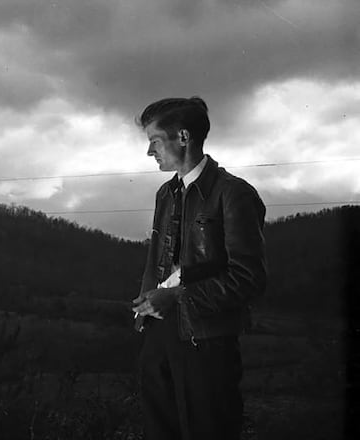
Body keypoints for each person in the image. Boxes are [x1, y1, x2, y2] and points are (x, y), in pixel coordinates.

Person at [131, 97, 266, 440]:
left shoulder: (234, 194)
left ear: (183, 138)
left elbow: (247, 280)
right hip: (160, 335)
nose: (150, 152)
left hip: (207, 341)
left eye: (155, 141)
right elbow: (155, 259)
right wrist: (145, 311)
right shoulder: (166, 193)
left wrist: (178, 297)